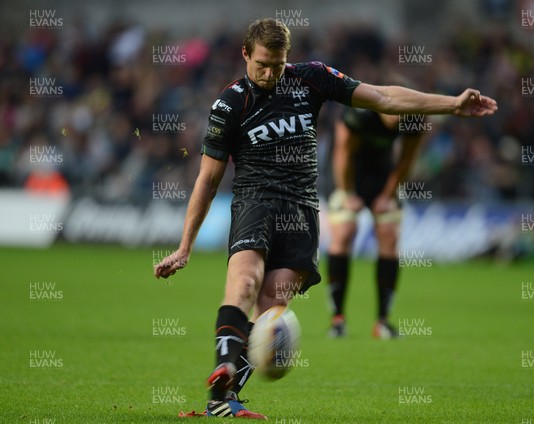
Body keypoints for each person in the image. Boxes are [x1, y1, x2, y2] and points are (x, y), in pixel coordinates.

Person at [153, 18, 497, 420]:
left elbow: (384, 97)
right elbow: (207, 180)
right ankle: (225, 371)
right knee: (245, 283)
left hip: (300, 211)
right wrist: (185, 245)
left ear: (288, 59)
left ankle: (223, 400)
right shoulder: (230, 104)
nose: (269, 73)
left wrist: (452, 104)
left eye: (278, 65)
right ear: (245, 54)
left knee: (272, 309)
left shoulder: (311, 79)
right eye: (262, 64)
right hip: (254, 203)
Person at [327, 106, 425, 339]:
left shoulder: (414, 118)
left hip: (382, 176)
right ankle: (338, 320)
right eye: (394, 113)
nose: (398, 119)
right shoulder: (359, 113)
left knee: (389, 233)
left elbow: (406, 160)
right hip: (345, 174)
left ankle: (382, 321)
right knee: (344, 231)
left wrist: (387, 195)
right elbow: (342, 152)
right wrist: (347, 192)